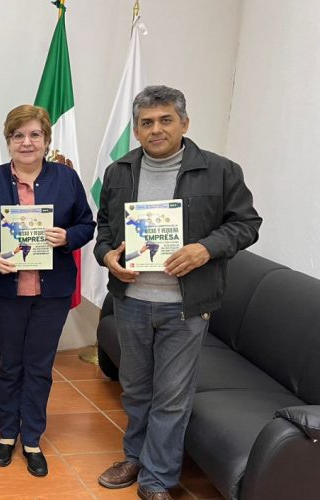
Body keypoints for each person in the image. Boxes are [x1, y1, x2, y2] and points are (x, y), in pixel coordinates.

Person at [94, 86, 261, 500]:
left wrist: (206, 248)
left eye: (166, 120)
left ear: (184, 123)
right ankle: (134, 456)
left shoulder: (221, 171)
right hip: (131, 301)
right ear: (136, 130)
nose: (156, 129)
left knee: (171, 396)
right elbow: (104, 229)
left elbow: (246, 224)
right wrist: (107, 256)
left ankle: (157, 479)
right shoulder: (119, 172)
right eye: (147, 122)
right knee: (136, 389)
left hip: (186, 306)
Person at [0, 104, 95, 477]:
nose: (26, 142)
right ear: (8, 140)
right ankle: (6, 434)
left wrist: (68, 237)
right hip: (6, 290)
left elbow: (87, 224)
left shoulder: (66, 178)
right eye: (18, 135)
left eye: (34, 135)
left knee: (40, 366)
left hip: (52, 291)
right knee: (10, 365)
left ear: (46, 139)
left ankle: (32, 439)